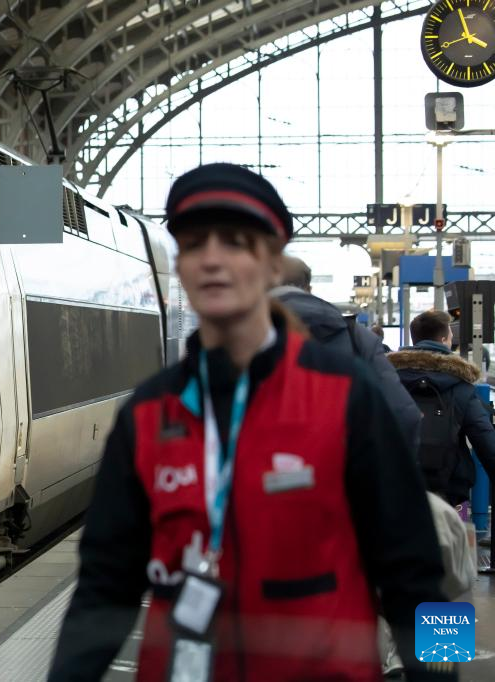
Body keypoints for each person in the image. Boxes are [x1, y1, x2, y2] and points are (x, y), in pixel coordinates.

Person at [49, 163, 450, 681]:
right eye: (194, 244)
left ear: (271, 264)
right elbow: (103, 586)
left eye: (235, 242)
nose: (212, 259)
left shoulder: (347, 398)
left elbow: (419, 575)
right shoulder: (148, 415)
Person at [272, 256, 420, 453]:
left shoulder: (242, 336)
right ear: (309, 289)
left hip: (267, 463)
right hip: (345, 460)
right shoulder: (356, 336)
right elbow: (404, 414)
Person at [388, 310, 495, 507]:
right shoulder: (461, 387)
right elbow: (485, 439)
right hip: (445, 491)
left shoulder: (387, 381)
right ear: (444, 339)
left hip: (394, 485)